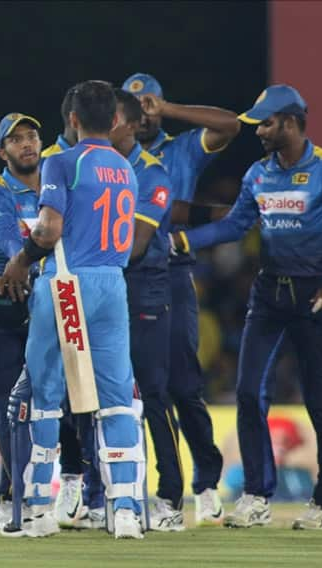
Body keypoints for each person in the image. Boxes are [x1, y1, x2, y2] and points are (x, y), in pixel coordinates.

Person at [171, 84, 322, 530]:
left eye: (267, 122)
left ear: (293, 123)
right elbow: (238, 225)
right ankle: (257, 496)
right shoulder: (258, 174)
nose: (259, 130)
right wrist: (184, 240)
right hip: (269, 293)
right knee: (247, 392)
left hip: (317, 293)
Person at [1, 80, 144, 540]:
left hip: (67, 282)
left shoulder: (61, 162)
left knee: (45, 398)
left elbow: (48, 229)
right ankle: (125, 510)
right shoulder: (126, 168)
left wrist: (20, 262)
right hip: (113, 284)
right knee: (118, 399)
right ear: (117, 120)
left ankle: (40, 511)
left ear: (73, 121)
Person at [123, 72, 240, 525]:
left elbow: (230, 125)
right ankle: (164, 494)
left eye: (149, 105)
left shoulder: (183, 148)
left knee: (184, 386)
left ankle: (207, 483)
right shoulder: (116, 156)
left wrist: (167, 110)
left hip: (171, 274)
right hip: (129, 274)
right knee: (147, 389)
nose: (143, 115)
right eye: (135, 108)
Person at [109, 88, 184, 531]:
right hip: (107, 283)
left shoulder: (152, 173)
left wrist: (91, 258)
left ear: (135, 124)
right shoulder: (99, 169)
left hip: (144, 289)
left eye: (115, 119)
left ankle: (170, 498)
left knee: (154, 394)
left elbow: (135, 246)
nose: (108, 126)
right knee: (110, 397)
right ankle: (115, 495)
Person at [0, 112, 42, 531]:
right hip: (3, 312)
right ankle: (14, 497)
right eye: (16, 140)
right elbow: (15, 245)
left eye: (31, 136)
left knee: (54, 405)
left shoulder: (57, 189)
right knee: (7, 408)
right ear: (3, 152)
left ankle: (62, 493)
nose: (26, 144)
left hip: (49, 306)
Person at [42, 85, 104, 531]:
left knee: (97, 395)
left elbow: (46, 229)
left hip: (78, 284)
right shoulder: (56, 160)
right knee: (64, 396)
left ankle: (104, 494)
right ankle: (75, 482)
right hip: (68, 288)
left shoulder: (69, 161)